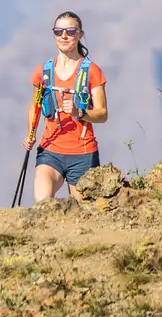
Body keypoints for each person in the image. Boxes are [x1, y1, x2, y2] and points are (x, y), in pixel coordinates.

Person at [24, 11, 108, 202]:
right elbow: (34, 107)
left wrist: (80, 113)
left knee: (83, 213)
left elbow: (102, 114)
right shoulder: (43, 72)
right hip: (50, 150)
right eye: (58, 31)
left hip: (83, 153)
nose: (64, 36)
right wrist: (31, 134)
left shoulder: (91, 71)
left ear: (80, 34)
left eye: (70, 31)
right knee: (43, 204)